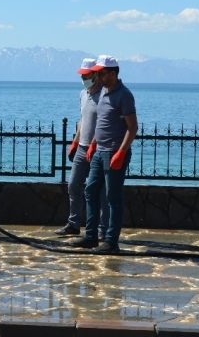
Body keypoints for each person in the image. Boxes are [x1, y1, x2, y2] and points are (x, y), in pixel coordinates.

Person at [71, 55, 137, 253]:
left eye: (102, 73)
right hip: (99, 151)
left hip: (114, 152)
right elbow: (101, 124)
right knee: (90, 190)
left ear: (113, 73)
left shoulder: (124, 95)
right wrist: (92, 144)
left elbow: (132, 128)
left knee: (112, 197)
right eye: (97, 73)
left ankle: (110, 241)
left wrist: (121, 152)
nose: (98, 76)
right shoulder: (103, 93)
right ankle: (91, 236)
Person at [55, 58, 109, 239]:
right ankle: (74, 223)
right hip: (82, 147)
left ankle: (102, 229)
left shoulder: (104, 95)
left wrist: (94, 143)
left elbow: (103, 124)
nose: (84, 78)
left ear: (95, 75)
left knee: (99, 191)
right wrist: (75, 142)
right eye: (82, 75)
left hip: (97, 149)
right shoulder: (83, 94)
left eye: (87, 75)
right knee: (73, 185)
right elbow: (82, 121)